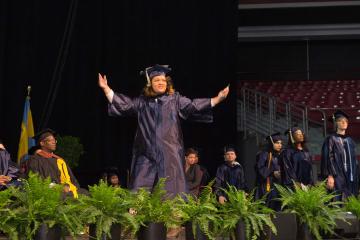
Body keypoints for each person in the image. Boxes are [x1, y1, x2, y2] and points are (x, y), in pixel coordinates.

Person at [98, 64, 229, 197]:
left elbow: (193, 106)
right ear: (150, 83)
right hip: (146, 152)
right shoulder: (142, 102)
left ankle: (171, 216)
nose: (161, 82)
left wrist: (217, 99)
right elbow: (125, 105)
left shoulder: (175, 100)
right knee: (140, 185)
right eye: (157, 80)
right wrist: (106, 88)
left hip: (170, 153)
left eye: (163, 80)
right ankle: (137, 214)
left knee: (171, 188)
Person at [26, 129, 80, 198]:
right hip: (49, 191)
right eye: (50, 140)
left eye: (54, 140)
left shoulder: (59, 160)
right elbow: (36, 180)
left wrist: (68, 187)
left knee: (85, 194)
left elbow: (73, 180)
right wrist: (58, 187)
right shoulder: (35, 160)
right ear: (42, 143)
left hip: (67, 190)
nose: (53, 142)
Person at [321, 110, 359, 201]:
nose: (344, 122)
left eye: (346, 121)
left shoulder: (350, 140)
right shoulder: (331, 139)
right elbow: (328, 158)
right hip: (337, 174)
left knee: (350, 199)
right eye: (341, 121)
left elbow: (354, 160)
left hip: (350, 174)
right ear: (335, 123)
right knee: (337, 198)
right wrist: (330, 175)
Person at [255, 133, 282, 210]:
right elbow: (259, 168)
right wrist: (272, 172)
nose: (280, 145)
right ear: (271, 143)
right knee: (266, 207)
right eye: (277, 143)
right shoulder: (264, 154)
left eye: (280, 143)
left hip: (277, 185)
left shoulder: (278, 155)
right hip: (266, 185)